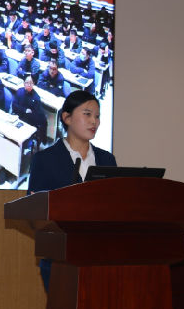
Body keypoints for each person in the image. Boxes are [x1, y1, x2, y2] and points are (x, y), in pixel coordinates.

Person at [28, 90, 117, 292]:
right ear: (66, 118)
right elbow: (34, 216)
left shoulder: (107, 159)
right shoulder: (45, 160)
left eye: (97, 116)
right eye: (87, 114)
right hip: (60, 259)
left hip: (101, 258)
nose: (94, 121)